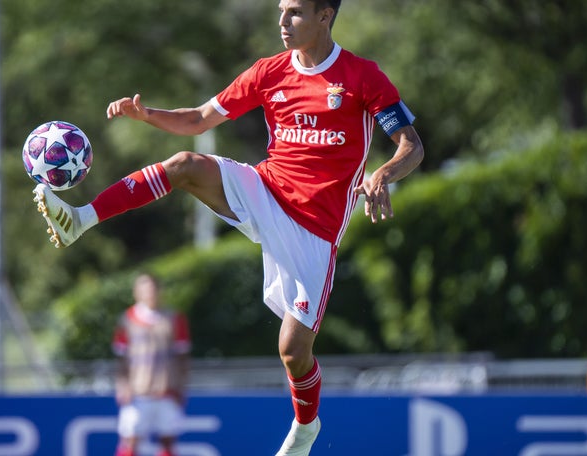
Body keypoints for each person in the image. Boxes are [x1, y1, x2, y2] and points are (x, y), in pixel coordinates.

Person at [32, 0, 424, 454]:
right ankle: (81, 219)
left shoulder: (362, 77)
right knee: (185, 165)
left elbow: (411, 146)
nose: (282, 21)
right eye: (280, 10)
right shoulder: (268, 72)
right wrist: (150, 115)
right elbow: (199, 119)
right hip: (265, 188)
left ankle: (307, 426)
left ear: (325, 16)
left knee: (294, 352)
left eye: (295, 12)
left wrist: (382, 175)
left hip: (315, 228)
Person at [111, 273, 192, 456]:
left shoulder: (174, 318)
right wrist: (122, 385)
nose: (150, 293)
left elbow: (182, 356)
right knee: (131, 439)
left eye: (153, 288)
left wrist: (181, 387)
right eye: (145, 288)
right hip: (138, 392)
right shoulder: (127, 319)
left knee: (168, 440)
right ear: (137, 292)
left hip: (167, 390)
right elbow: (121, 357)